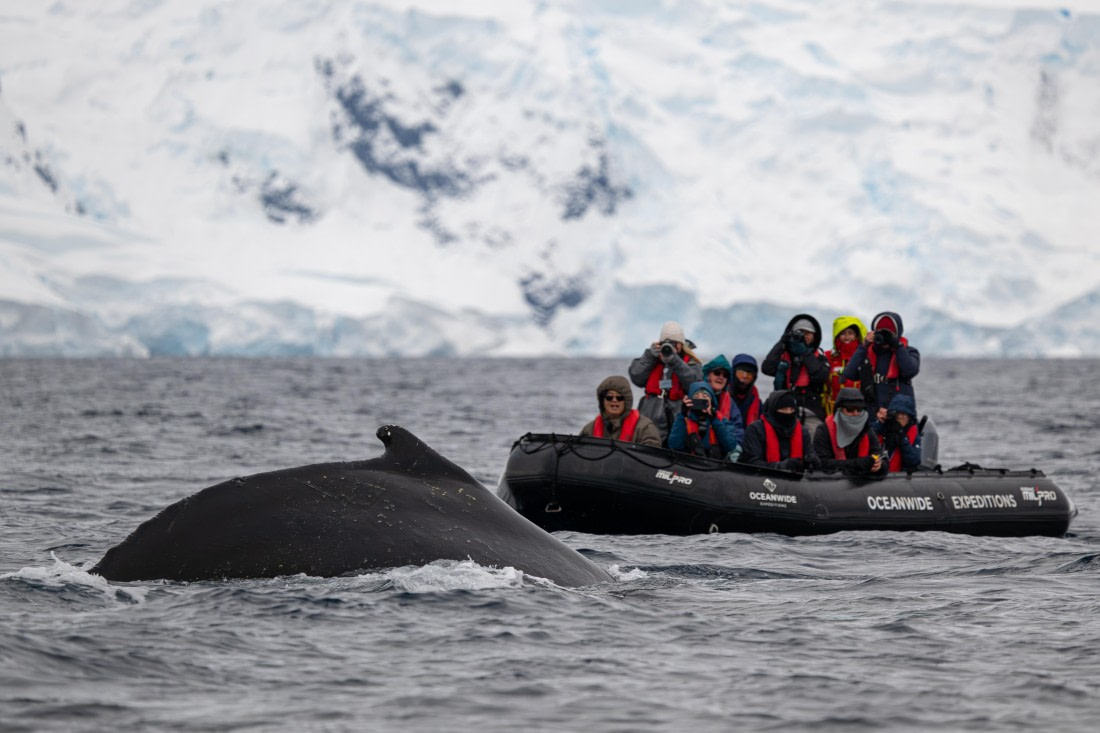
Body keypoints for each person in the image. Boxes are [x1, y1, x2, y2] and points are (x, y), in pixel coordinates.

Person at [628, 321, 704, 445]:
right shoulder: (651, 359)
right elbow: (636, 377)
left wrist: (675, 360)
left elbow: (695, 384)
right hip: (651, 418)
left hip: (678, 419)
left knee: (677, 447)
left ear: (681, 344)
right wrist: (649, 356)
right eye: (666, 343)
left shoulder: (691, 363)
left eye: (675, 343)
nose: (670, 347)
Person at [761, 314, 829, 436]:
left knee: (816, 441)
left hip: (812, 410)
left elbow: (821, 376)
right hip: (786, 409)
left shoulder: (820, 358)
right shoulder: (785, 356)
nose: (805, 336)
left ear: (815, 336)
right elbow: (767, 368)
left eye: (808, 333)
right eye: (801, 333)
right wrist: (782, 343)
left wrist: (804, 353)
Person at [841, 311, 920, 413]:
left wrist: (897, 345)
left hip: (899, 415)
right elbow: (849, 373)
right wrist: (864, 346)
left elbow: (910, 371)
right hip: (872, 411)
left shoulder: (909, 352)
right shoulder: (868, 353)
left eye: (889, 334)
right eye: (881, 333)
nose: (885, 339)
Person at [738, 390, 821, 474]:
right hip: (762, 481)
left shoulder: (803, 432)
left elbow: (811, 454)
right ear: (773, 410)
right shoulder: (755, 430)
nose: (788, 413)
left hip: (793, 482)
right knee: (771, 487)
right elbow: (751, 464)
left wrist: (813, 461)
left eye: (791, 409)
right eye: (783, 409)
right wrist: (781, 467)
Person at [812, 387, 887, 477]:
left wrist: (879, 465)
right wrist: (856, 464)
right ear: (839, 409)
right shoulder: (824, 431)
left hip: (862, 484)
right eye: (850, 409)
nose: (855, 413)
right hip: (832, 484)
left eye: (859, 409)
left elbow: (881, 457)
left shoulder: (867, 430)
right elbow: (821, 462)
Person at [668, 382, 743, 461]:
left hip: (715, 466)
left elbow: (730, 446)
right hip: (689, 465)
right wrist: (683, 415)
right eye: (696, 396)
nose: (700, 399)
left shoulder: (721, 420)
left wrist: (714, 420)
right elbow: (674, 446)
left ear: (711, 400)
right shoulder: (684, 420)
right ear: (690, 400)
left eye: (705, 396)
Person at [580, 376, 662, 447]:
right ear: (602, 401)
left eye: (620, 397)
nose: (614, 400)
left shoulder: (645, 428)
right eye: (609, 397)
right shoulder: (589, 429)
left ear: (627, 401)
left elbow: (652, 459)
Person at [822, 315, 868, 416]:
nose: (847, 337)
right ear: (837, 336)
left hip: (858, 413)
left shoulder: (865, 357)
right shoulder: (828, 357)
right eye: (843, 333)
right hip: (832, 413)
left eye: (850, 333)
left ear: (857, 336)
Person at [871, 392, 922, 473]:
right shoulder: (884, 426)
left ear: (909, 417)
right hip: (878, 472)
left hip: (901, 477)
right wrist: (880, 423)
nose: (900, 417)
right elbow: (867, 438)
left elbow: (913, 460)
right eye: (898, 414)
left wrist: (902, 436)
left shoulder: (912, 432)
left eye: (904, 414)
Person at [730, 353, 762, 427]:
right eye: (741, 373)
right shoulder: (721, 395)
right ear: (733, 373)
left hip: (749, 437)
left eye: (749, 375)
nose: (745, 377)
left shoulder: (756, 401)